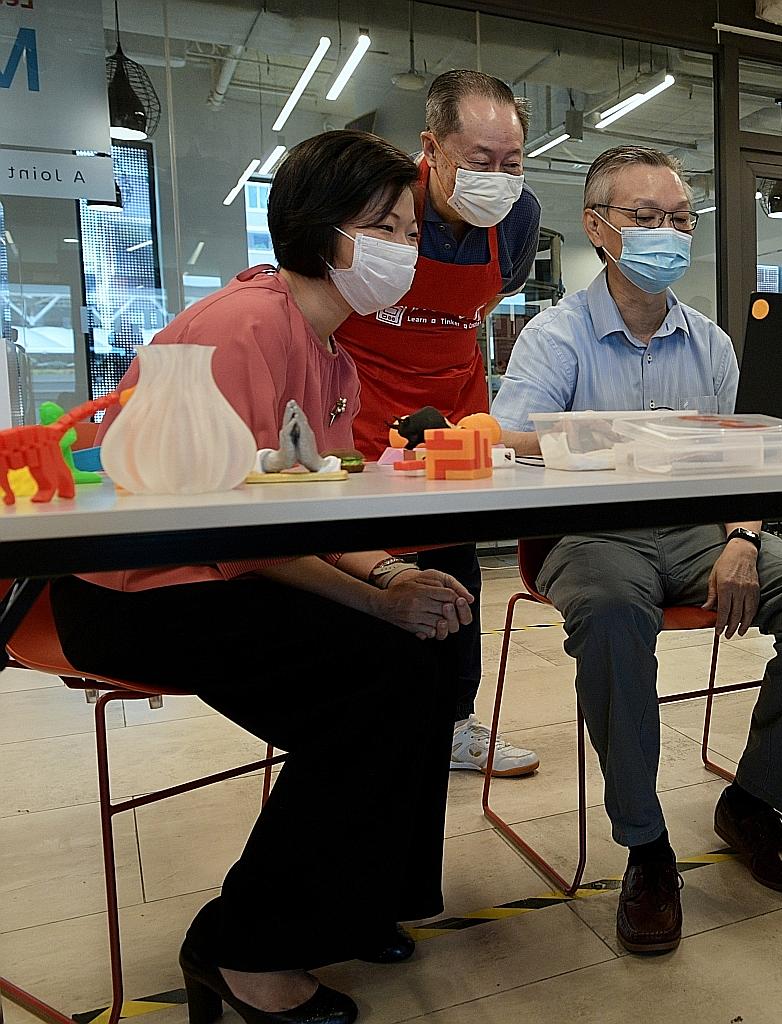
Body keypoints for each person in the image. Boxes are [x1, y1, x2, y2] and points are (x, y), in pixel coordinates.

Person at [50, 131, 471, 1024]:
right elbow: (244, 531)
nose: (406, 247)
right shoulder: (246, 325)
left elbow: (321, 498)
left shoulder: (333, 356)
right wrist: (375, 600)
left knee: (435, 651)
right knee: (379, 674)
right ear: (321, 230)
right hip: (133, 591)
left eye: (409, 228)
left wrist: (397, 573)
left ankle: (361, 899)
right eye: (383, 227)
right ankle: (243, 948)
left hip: (214, 570)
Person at [491, 146, 782, 955]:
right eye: (646, 218)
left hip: (700, 532)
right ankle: (646, 846)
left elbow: (745, 459)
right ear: (598, 229)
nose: (668, 233)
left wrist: (740, 537)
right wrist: (616, 444)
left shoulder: (714, 345)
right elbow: (509, 444)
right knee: (618, 615)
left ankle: (755, 802)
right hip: (590, 534)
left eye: (680, 219)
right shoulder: (555, 339)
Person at [334, 69, 543, 780]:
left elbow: (488, 300)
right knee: (370, 578)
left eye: (511, 162)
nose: (498, 177)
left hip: (452, 411)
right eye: (479, 161)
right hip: (362, 414)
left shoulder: (514, 220)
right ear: (432, 147)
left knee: (453, 574)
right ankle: (362, 726)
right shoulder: (382, 207)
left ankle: (454, 723)